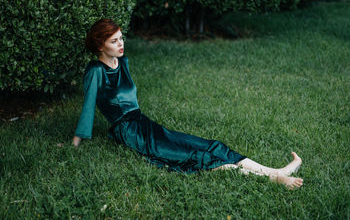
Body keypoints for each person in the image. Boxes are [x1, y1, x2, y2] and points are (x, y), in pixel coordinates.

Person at [73, 19, 303, 189]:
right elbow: (88, 106)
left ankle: (275, 170)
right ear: (100, 46)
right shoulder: (95, 71)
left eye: (121, 38)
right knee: (194, 157)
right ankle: (275, 179)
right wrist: (75, 142)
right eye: (114, 41)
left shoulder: (123, 63)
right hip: (128, 131)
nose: (121, 44)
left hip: (143, 123)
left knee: (210, 146)